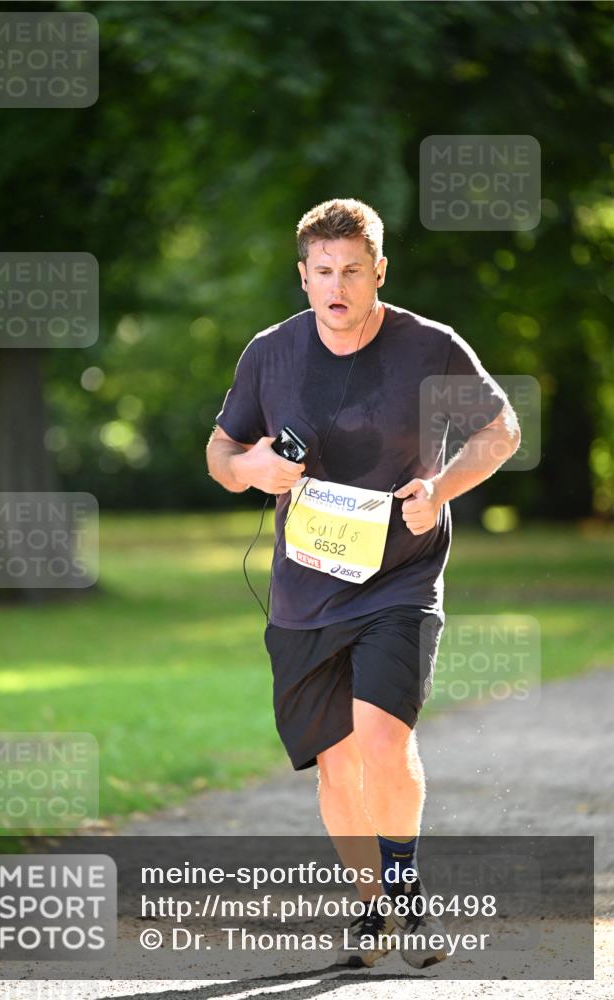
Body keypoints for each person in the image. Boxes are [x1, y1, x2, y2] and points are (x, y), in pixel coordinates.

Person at [206, 198, 520, 968]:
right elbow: (220, 452)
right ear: (303, 276)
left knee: (382, 739)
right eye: (323, 271)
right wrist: (252, 469)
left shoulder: (428, 347)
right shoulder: (270, 353)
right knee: (338, 761)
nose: (337, 285)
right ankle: (372, 905)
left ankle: (406, 895)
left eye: (352, 270)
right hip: (304, 590)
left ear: (379, 271)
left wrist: (438, 490)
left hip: (398, 580)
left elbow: (500, 429)